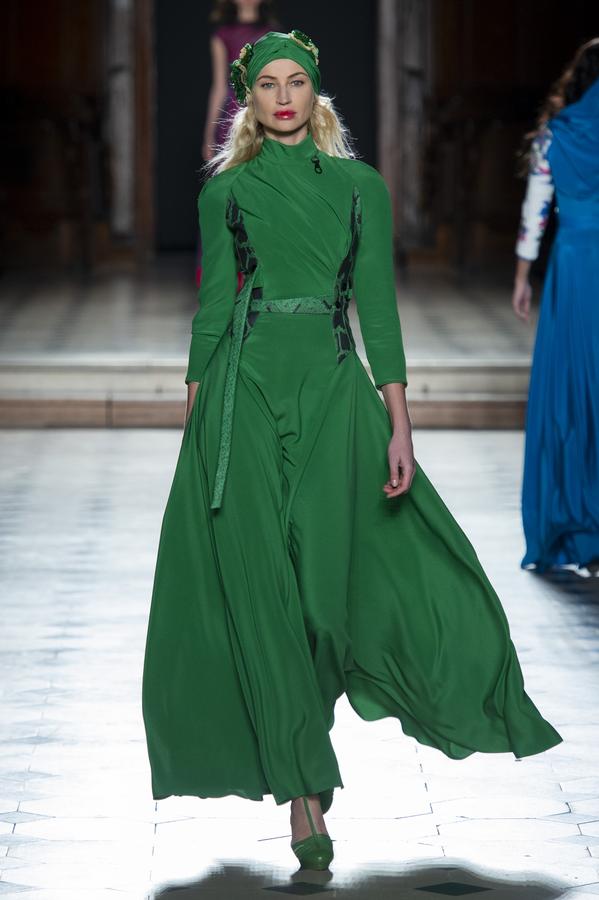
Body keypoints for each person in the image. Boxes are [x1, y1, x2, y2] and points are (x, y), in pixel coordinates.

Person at [143, 30, 562, 872]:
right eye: (268, 85)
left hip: (334, 394)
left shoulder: (359, 188)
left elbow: (377, 308)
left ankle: (307, 738)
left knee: (325, 606)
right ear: (250, 100)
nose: (283, 97)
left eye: (296, 82)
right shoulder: (226, 191)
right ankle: (302, 792)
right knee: (260, 595)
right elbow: (215, 306)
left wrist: (398, 421)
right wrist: (194, 419)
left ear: (315, 93)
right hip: (241, 398)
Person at [512, 38, 599, 574]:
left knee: (573, 389)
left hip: (574, 268)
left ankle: (577, 522)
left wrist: (523, 275)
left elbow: (536, 210)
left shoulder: (556, 136)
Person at [196, 0, 278, 286]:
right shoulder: (222, 35)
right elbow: (219, 86)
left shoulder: (271, 34)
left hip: (263, 115)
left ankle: (263, 271)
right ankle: (223, 272)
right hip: (231, 120)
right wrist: (209, 134)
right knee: (226, 195)